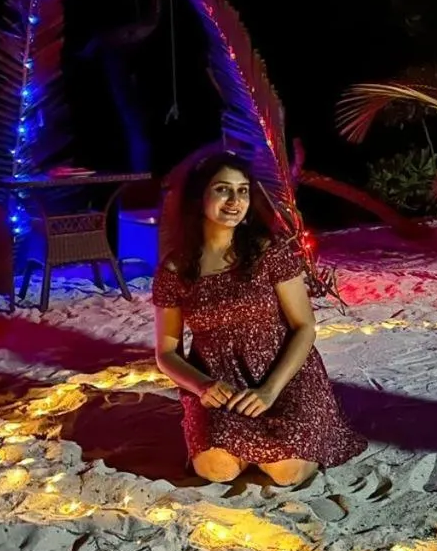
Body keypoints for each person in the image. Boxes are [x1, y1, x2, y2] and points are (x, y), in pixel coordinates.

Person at [152, 149, 365, 485]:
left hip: (284, 375)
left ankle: (277, 446)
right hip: (220, 382)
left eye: (243, 190)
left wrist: (269, 390)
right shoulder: (175, 270)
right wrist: (201, 385)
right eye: (223, 189)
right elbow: (166, 352)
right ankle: (242, 448)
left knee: (287, 472)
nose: (235, 200)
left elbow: (304, 326)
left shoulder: (270, 251)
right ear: (199, 196)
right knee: (215, 469)